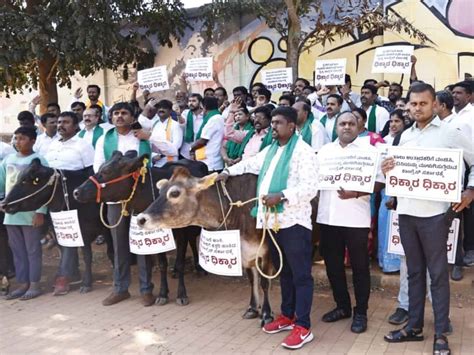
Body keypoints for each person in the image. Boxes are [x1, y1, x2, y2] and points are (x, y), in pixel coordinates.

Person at [382, 83, 474, 355]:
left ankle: (441, 334)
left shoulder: (452, 131)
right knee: (414, 273)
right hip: (407, 214)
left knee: (437, 276)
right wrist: (387, 169)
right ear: (407, 105)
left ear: (434, 104)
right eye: (413, 104)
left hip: (436, 216)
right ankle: (414, 327)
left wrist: (470, 190)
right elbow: (396, 172)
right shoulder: (405, 137)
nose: (417, 108)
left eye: (423, 103)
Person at [216, 106, 318, 350]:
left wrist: (282, 195)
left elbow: (311, 187)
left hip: (293, 222)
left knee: (301, 275)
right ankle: (287, 316)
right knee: (284, 271)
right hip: (271, 222)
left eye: (278, 123)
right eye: (272, 123)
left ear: (292, 127)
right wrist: (227, 171)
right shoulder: (270, 151)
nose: (273, 127)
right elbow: (250, 164)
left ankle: (303, 326)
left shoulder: (303, 152)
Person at [317, 112, 384, 334]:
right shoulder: (325, 152)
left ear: (359, 126)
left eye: (351, 124)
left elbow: (378, 184)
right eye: (342, 124)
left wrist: (355, 192)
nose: (346, 127)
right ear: (336, 127)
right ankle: (342, 306)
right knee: (333, 266)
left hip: (356, 218)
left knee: (360, 268)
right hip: (328, 218)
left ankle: (361, 312)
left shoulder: (370, 152)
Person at [93, 102, 155, 307]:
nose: (119, 116)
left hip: (140, 199)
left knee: (142, 243)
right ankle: (120, 288)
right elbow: (98, 167)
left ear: (132, 116)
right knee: (119, 245)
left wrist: (150, 138)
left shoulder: (141, 136)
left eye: (124, 113)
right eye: (116, 113)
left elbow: (169, 150)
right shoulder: (105, 138)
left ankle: (147, 289)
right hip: (115, 199)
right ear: (111, 117)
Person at [0, 126, 48, 300]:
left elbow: (45, 188)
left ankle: (34, 284)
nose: (17, 142)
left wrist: (40, 212)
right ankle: (22, 283)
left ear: (33, 141)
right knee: (17, 250)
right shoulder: (8, 160)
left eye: (22, 138)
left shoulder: (39, 160)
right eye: (16, 138)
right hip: (11, 214)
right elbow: (1, 182)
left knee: (32, 249)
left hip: (30, 213)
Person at [141, 99, 183, 167]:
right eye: (159, 108)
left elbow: (176, 146)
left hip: (169, 163)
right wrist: (148, 106)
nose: (161, 109)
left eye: (164, 108)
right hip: (154, 162)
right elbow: (141, 122)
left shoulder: (175, 125)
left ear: (170, 111)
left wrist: (161, 155)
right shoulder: (154, 123)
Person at [189, 96, 225, 172]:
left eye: (201, 108)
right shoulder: (219, 117)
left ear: (205, 107)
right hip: (212, 161)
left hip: (210, 163)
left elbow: (203, 140)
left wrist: (191, 149)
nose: (202, 111)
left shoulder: (213, 119)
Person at [179, 93, 204, 160]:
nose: (191, 103)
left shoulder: (205, 114)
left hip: (201, 149)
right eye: (189, 101)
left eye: (194, 101)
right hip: (186, 151)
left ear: (200, 103)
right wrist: (178, 115)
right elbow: (182, 122)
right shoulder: (186, 112)